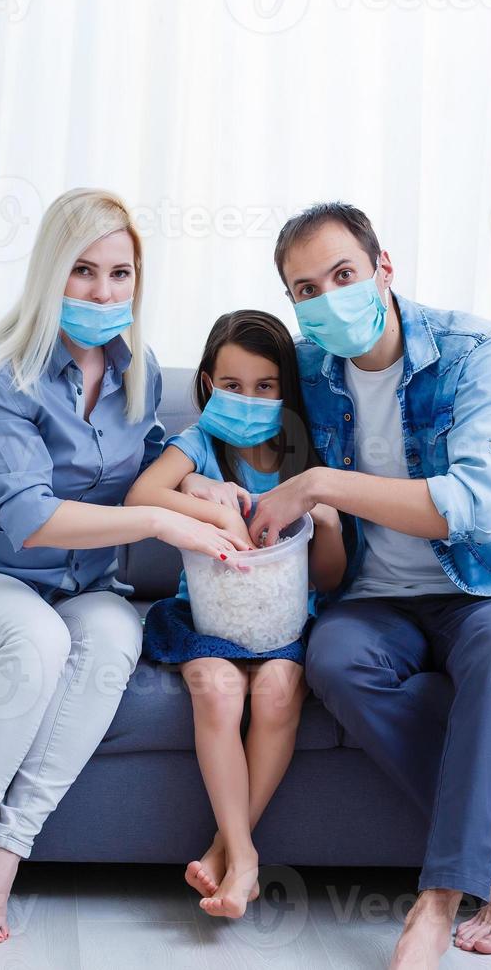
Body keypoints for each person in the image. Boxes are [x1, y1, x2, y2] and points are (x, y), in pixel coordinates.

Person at [195, 202, 491, 969]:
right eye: (305, 289)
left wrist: (317, 483)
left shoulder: (475, 349)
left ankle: (436, 905)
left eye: (343, 275)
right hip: (372, 598)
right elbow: (223, 419)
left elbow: (473, 506)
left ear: (383, 269)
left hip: (481, 588)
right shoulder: (305, 369)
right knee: (332, 660)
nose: (328, 298)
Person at [0, 188, 251, 956]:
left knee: (113, 638)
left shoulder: (140, 370)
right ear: (50, 274)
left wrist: (196, 485)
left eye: (120, 274)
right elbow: (30, 521)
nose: (103, 292)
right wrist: (162, 520)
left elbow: (149, 449)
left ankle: (5, 858)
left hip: (88, 587)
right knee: (35, 642)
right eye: (83, 272)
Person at [126, 309, 346, 919]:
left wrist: (324, 519)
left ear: (285, 391)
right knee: (217, 690)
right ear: (205, 384)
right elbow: (141, 497)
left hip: (285, 623)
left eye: (265, 386)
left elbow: (327, 578)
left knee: (277, 692)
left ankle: (228, 850)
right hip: (207, 619)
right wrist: (197, 489)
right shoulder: (197, 444)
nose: (248, 399)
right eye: (232, 385)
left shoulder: (305, 458)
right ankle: (246, 859)